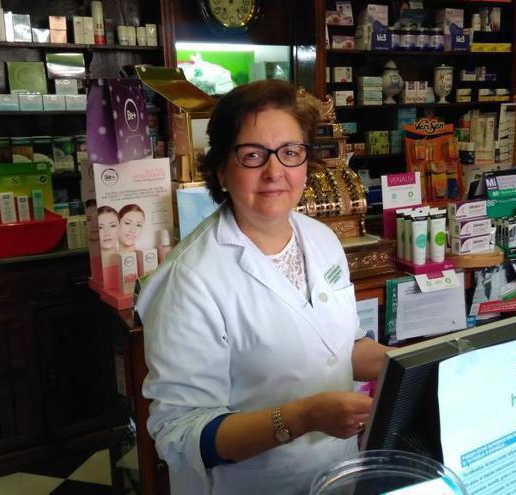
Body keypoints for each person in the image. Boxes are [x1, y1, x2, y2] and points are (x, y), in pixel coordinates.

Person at [136, 80, 392, 494]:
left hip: (337, 474)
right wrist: (304, 417)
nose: (276, 172)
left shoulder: (323, 239)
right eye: (253, 155)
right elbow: (178, 433)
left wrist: (410, 365)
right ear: (221, 167)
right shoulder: (191, 278)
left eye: (290, 153)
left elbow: (336, 346)